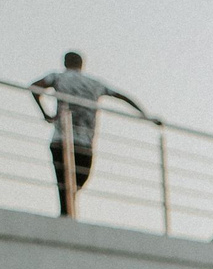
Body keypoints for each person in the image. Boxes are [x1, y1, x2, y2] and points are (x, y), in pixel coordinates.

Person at [28, 51, 148, 217]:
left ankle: (66, 213)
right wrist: (143, 114)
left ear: (65, 63)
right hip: (84, 142)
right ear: (82, 64)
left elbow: (34, 88)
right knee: (78, 180)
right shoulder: (94, 84)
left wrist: (46, 114)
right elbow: (122, 97)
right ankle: (67, 214)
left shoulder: (57, 77)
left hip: (60, 139)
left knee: (64, 182)